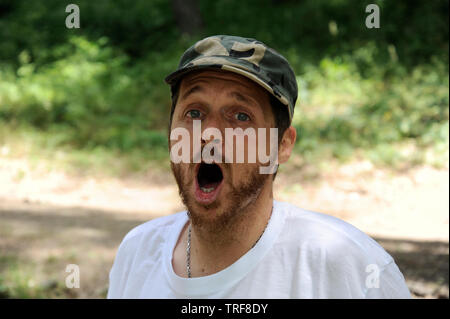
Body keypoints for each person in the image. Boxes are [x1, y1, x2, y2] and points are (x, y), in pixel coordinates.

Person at [107, 35, 411, 299]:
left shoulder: (350, 268)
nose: (209, 134)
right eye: (195, 112)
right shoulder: (137, 255)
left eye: (240, 117)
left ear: (282, 145)